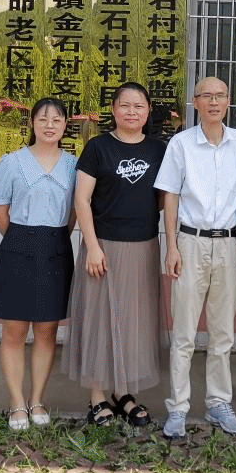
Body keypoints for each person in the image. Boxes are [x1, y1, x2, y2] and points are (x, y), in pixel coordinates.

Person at [155, 77, 236, 439]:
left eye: (220, 96)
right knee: (183, 332)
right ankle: (178, 407)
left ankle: (218, 403)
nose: (214, 102)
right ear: (194, 102)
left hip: (229, 243)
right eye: (206, 96)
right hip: (190, 242)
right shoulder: (181, 144)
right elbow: (170, 196)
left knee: (222, 332)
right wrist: (171, 247)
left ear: (228, 101)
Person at [66, 82, 167, 427]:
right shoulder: (98, 147)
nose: (132, 112)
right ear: (113, 109)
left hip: (144, 245)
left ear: (148, 111)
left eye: (139, 106)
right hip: (104, 246)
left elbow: (166, 198)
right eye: (125, 105)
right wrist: (92, 246)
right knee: (99, 319)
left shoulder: (158, 149)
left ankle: (123, 393)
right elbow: (81, 200)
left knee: (133, 320)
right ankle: (97, 396)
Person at [0, 98, 77, 431]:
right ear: (32, 124)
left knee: (47, 330)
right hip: (18, 245)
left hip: (56, 246)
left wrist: (53, 238)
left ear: (65, 125)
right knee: (14, 330)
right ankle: (16, 403)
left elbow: (74, 211)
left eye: (56, 120)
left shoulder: (74, 165)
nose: (50, 125)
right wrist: (20, 240)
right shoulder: (11, 162)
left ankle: (37, 399)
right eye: (43, 119)